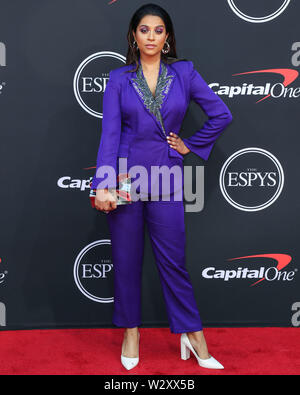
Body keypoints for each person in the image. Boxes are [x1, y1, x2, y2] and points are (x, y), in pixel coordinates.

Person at [90, 3, 233, 371]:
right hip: (124, 179)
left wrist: (191, 144)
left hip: (167, 179)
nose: (151, 37)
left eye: (158, 30)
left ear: (167, 37)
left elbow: (221, 113)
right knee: (125, 261)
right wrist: (103, 184)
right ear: (133, 36)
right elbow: (109, 135)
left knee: (174, 263)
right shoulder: (119, 78)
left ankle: (192, 333)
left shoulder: (184, 73)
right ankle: (131, 332)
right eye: (143, 30)